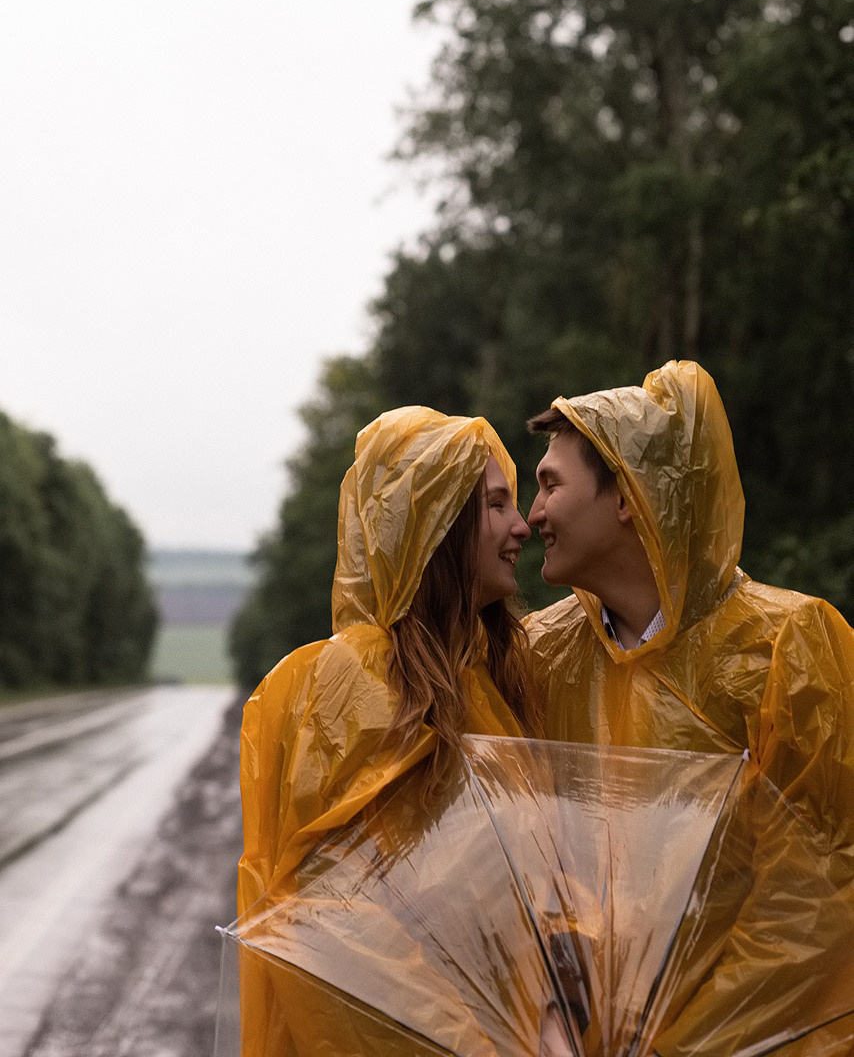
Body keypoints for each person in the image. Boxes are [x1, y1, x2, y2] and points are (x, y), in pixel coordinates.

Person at [525, 358, 854, 1056]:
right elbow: (518, 870)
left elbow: (814, 901)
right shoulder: (542, 656)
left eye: (550, 485)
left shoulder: (787, 650)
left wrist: (681, 1049)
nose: (534, 516)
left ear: (627, 496)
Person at [235, 405, 548, 1057]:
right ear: (436, 520)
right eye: (495, 505)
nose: (522, 526)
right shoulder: (358, 682)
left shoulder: (483, 679)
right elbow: (328, 921)